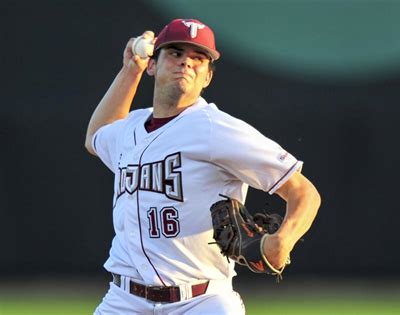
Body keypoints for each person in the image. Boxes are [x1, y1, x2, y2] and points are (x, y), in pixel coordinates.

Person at [84, 18, 321, 315]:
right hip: (125, 299)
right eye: (175, 53)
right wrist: (131, 68)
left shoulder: (216, 129)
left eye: (198, 58)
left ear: (207, 77)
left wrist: (283, 239)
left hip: (201, 301)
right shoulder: (130, 127)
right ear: (153, 65)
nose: (186, 63)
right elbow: (96, 136)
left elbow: (304, 191)